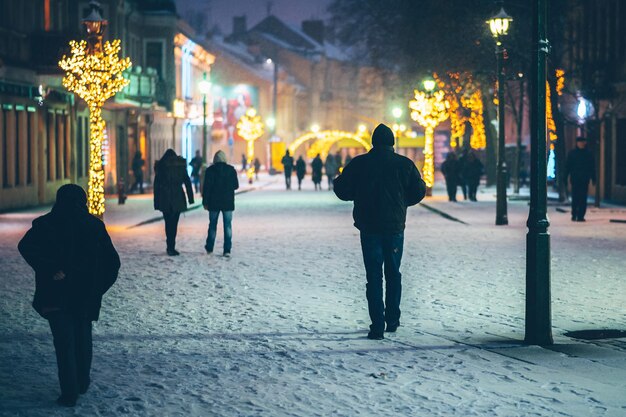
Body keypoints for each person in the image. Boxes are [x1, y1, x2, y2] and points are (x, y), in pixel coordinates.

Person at [18, 184, 120, 407]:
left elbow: (25, 246)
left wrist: (49, 268)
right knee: (83, 339)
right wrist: (96, 287)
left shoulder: (46, 224)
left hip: (56, 295)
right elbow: (112, 264)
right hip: (84, 296)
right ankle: (81, 381)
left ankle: (69, 391)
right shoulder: (94, 226)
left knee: (64, 344)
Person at [333, 124, 426, 340]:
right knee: (393, 272)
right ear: (392, 142)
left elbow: (341, 188)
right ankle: (392, 318)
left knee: (373, 275)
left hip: (369, 227)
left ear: (373, 142)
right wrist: (402, 203)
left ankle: (377, 324)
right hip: (394, 227)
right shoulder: (404, 164)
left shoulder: (360, 164)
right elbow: (419, 190)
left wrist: (356, 194)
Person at [153, 149, 194, 256]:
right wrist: (190, 198)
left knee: (168, 223)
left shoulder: (161, 167)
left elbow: (156, 186)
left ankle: (169, 246)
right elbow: (187, 181)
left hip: (164, 198)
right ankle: (172, 246)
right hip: (178, 198)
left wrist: (156, 202)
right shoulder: (180, 166)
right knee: (174, 224)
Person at [202, 150, 239, 256]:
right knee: (227, 226)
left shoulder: (210, 170)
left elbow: (206, 188)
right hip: (227, 202)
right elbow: (236, 186)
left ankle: (209, 247)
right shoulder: (231, 170)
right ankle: (227, 249)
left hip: (213, 202)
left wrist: (205, 202)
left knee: (212, 225)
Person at [566, 136, 596, 222]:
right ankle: (574, 214)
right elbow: (568, 166)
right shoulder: (572, 153)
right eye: (580, 142)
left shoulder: (589, 154)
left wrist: (593, 178)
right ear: (577, 143)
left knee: (583, 198)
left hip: (584, 179)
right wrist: (565, 177)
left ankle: (580, 215)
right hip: (575, 179)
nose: (582, 144)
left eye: (583, 142)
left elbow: (592, 167)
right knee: (575, 197)